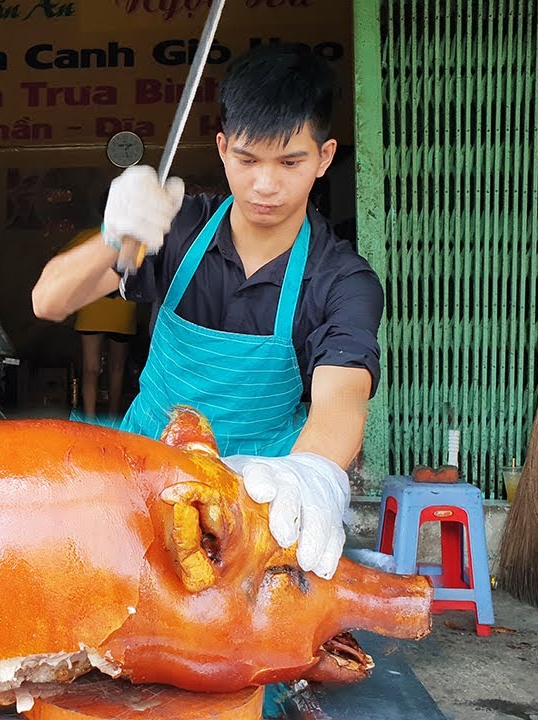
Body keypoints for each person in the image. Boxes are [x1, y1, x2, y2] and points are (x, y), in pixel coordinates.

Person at [32, 44, 382, 581]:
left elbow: (342, 398)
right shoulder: (175, 229)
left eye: (290, 162)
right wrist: (113, 236)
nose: (265, 184)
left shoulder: (341, 280)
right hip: (142, 483)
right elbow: (48, 300)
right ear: (222, 149)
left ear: (325, 157)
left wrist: (307, 476)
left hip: (258, 503)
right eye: (247, 159)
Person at [60, 226, 137, 423]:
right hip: (123, 307)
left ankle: (89, 419)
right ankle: (113, 419)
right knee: (117, 367)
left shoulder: (86, 236)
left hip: (91, 306)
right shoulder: (133, 238)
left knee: (90, 368)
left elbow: (63, 263)